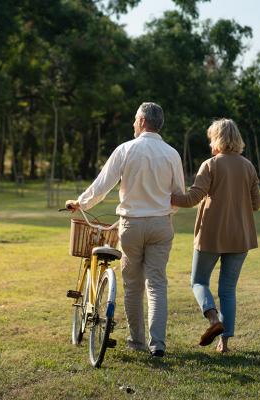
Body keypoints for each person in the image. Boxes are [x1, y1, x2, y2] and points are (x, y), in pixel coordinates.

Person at [65, 102, 185, 358]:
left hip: (131, 225)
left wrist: (81, 203)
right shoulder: (172, 153)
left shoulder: (126, 150)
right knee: (157, 283)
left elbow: (102, 185)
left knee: (133, 286)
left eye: (134, 120)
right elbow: (178, 196)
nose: (133, 124)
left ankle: (137, 340)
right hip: (161, 225)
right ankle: (158, 344)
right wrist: (163, 212)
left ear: (142, 121)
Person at [171, 118, 260, 353]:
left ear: (217, 139)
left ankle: (213, 321)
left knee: (198, 281)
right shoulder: (249, 166)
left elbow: (191, 199)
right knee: (228, 290)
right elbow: (256, 204)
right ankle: (224, 343)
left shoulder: (210, 165)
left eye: (211, 137)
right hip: (240, 237)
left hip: (211, 235)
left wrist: (167, 196)